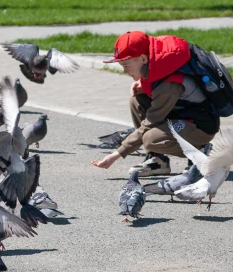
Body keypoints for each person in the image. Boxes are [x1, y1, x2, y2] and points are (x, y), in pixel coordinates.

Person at [90, 31, 219, 176]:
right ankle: (158, 160)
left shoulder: (168, 84)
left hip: (200, 125)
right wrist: (143, 84)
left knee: (151, 139)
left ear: (143, 58)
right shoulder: (157, 68)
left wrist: (117, 154)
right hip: (182, 116)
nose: (124, 71)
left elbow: (150, 122)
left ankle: (201, 151)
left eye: (126, 65)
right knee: (137, 100)